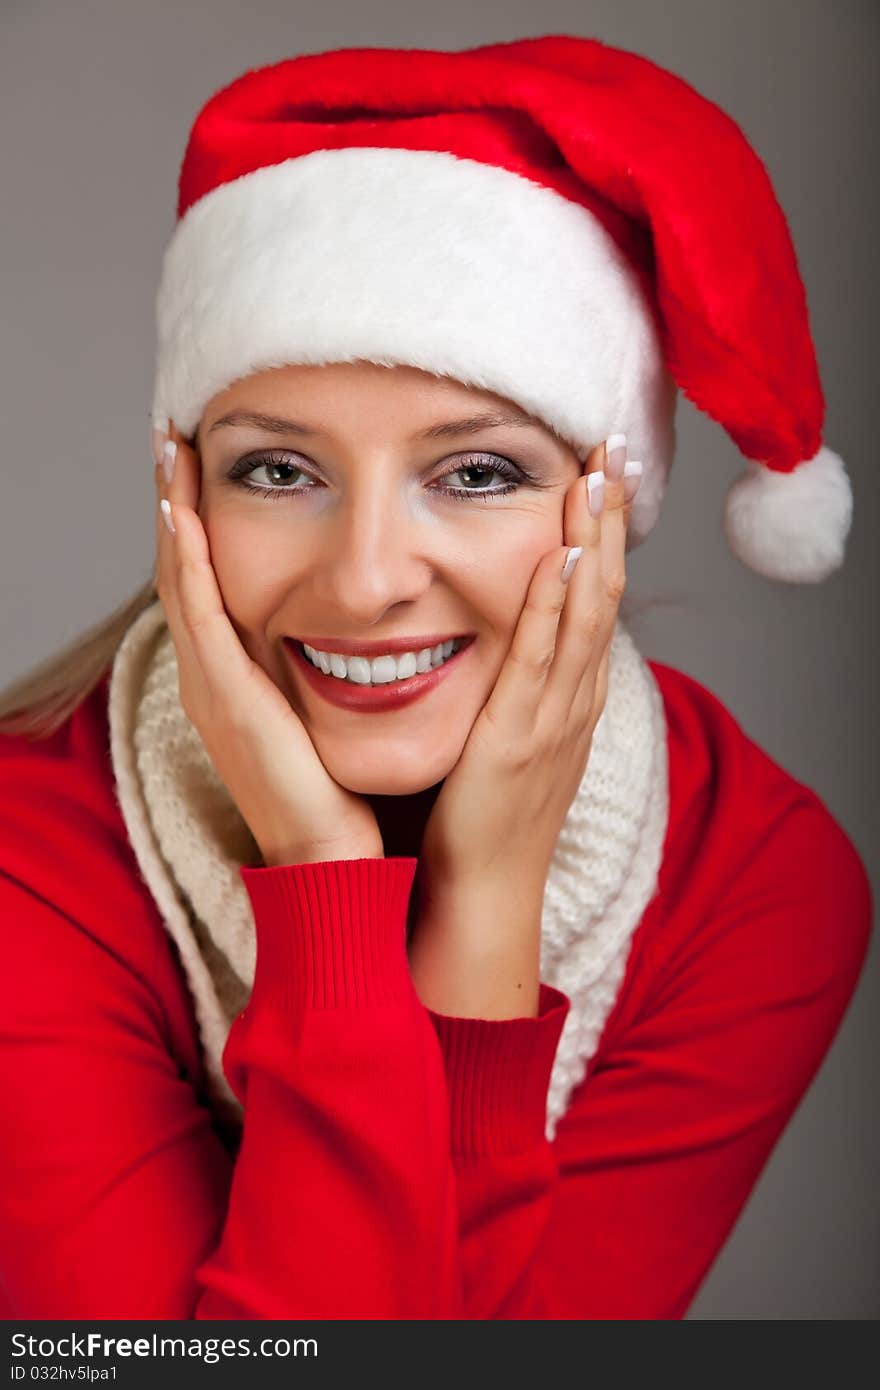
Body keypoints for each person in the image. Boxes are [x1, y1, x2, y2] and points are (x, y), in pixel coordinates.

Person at [0, 34, 872, 1321]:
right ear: (182, 491)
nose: (363, 582)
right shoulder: (30, 856)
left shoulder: (754, 883)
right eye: (278, 471)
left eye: (476, 473)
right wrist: (326, 888)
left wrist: (488, 908)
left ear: (610, 510)